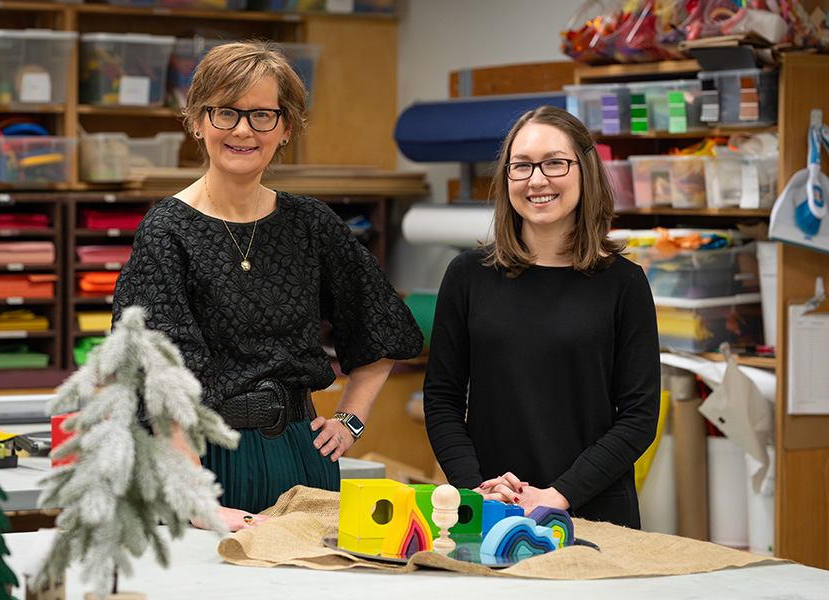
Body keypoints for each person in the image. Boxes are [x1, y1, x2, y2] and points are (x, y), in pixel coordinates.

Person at [111, 40, 423, 531]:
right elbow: (157, 378)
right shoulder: (167, 230)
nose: (242, 130)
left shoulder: (310, 223)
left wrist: (350, 421)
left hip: (305, 456)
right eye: (225, 113)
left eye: (262, 115)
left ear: (286, 129)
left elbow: (382, 325)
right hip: (207, 461)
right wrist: (198, 499)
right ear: (196, 120)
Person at [422, 105, 660, 529]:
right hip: (493, 509)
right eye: (522, 166)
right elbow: (442, 398)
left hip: (595, 514)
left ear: (585, 170)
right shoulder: (467, 276)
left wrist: (557, 496)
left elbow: (640, 417)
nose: (537, 180)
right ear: (506, 178)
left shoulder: (624, 283)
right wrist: (476, 488)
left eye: (555, 163)